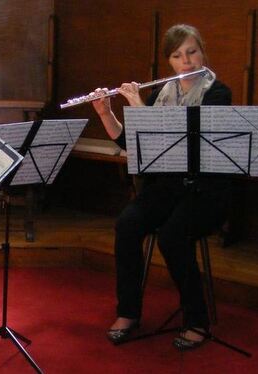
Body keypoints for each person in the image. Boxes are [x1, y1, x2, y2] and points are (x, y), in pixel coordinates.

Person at [91, 24, 232, 351]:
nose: (187, 61)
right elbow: (134, 144)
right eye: (177, 55)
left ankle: (197, 319)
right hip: (167, 187)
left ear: (203, 52)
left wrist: (138, 107)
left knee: (172, 235)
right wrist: (106, 113)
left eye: (192, 52)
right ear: (169, 61)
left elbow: (188, 146)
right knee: (127, 224)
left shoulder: (217, 94)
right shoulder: (160, 96)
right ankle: (128, 312)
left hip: (205, 190)